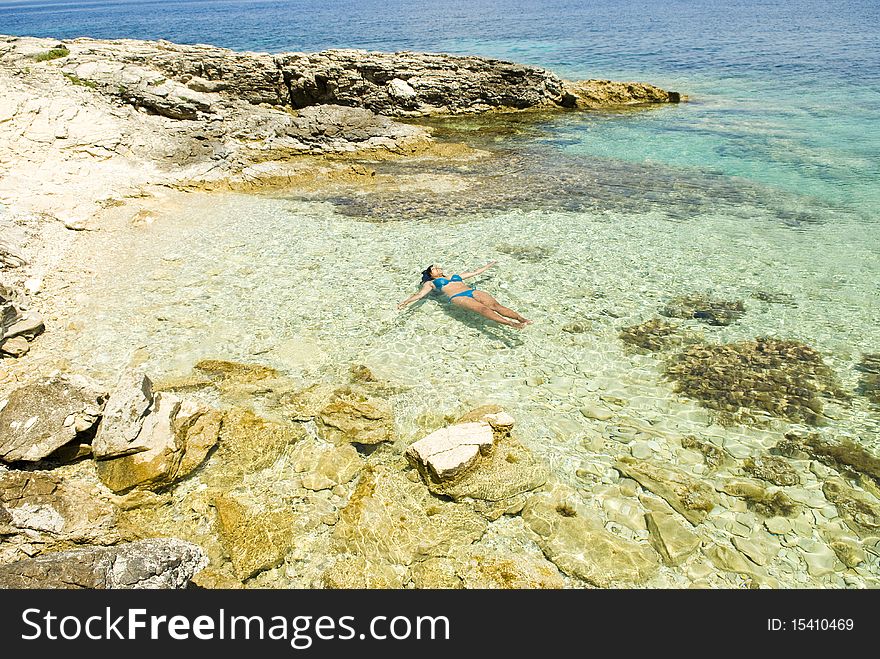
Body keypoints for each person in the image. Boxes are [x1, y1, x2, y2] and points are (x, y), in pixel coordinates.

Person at [397, 261, 532, 329]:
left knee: (496, 305)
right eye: (434, 269)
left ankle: (521, 319)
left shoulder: (454, 276)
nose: (438, 268)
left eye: (438, 267)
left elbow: (475, 272)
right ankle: (509, 323)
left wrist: (490, 265)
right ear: (431, 274)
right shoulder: (431, 283)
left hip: (472, 291)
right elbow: (420, 295)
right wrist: (406, 301)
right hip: (457, 297)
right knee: (483, 309)